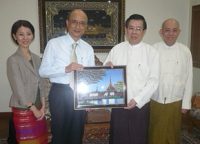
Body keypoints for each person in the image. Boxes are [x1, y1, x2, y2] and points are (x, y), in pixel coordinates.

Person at [39, 9, 95, 144]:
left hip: (79, 94)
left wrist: (89, 99)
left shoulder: (88, 48)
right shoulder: (54, 44)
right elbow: (43, 71)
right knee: (59, 134)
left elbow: (90, 76)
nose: (78, 26)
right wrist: (66, 68)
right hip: (60, 92)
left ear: (86, 27)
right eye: (74, 22)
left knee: (77, 134)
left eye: (82, 23)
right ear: (67, 23)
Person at [104, 14, 159, 144]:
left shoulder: (151, 52)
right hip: (118, 104)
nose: (134, 32)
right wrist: (106, 67)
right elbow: (104, 73)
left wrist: (137, 99)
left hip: (140, 105)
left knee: (138, 138)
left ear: (144, 31)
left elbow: (154, 81)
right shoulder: (116, 49)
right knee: (118, 138)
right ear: (125, 29)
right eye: (131, 28)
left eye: (138, 28)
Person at [148, 18, 193, 144]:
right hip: (156, 100)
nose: (170, 34)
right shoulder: (153, 49)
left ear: (179, 32)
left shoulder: (185, 51)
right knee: (154, 134)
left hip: (176, 102)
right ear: (161, 32)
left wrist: (186, 104)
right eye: (167, 30)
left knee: (172, 135)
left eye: (174, 30)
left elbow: (189, 78)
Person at [7, 20, 48, 144]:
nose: (25, 38)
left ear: (33, 35)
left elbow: (41, 82)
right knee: (28, 141)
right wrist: (33, 109)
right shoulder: (13, 60)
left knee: (41, 139)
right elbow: (18, 88)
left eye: (28, 34)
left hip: (39, 108)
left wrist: (43, 105)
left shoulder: (36, 58)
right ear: (15, 36)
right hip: (23, 108)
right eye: (21, 34)